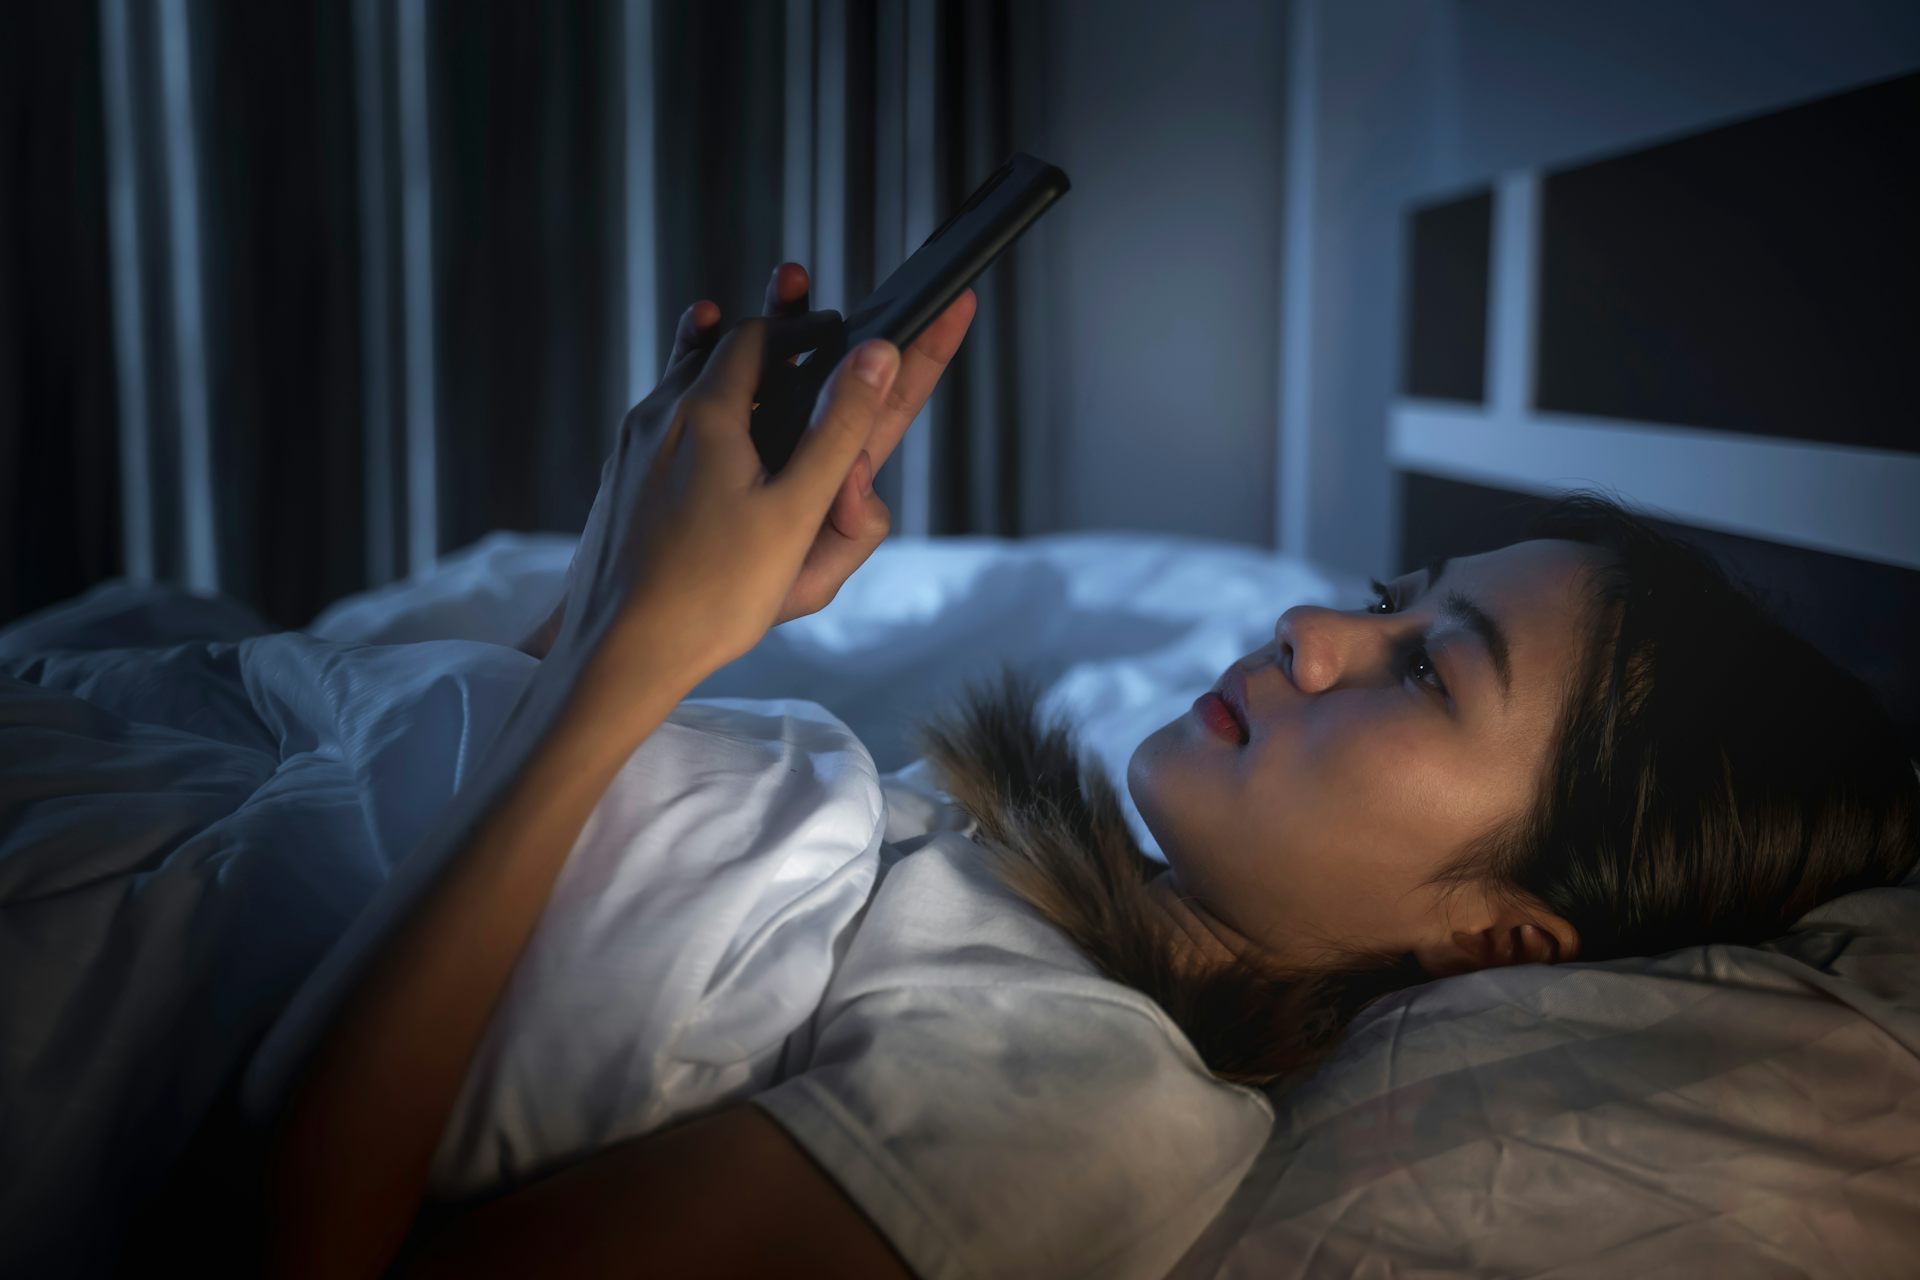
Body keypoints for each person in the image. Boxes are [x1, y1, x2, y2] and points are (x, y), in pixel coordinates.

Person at [260, 263, 1920, 1278]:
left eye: (1424, 668)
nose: (1310, 626)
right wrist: (619, 587)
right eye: (1391, 598)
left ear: (1501, 932)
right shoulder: (1022, 902)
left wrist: (637, 662)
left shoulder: (1098, 1117)